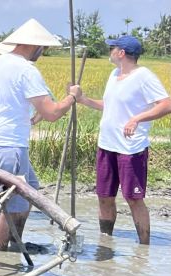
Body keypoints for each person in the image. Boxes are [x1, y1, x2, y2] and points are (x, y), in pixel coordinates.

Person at [0, 18, 76, 251]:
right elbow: (52, 112)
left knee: (30, 189)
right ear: (34, 46)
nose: (43, 52)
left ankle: (13, 242)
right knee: (14, 200)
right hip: (11, 146)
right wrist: (72, 97)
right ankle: (1, 249)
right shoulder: (27, 70)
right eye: (43, 48)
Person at [69, 36, 171, 244]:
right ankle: (105, 241)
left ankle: (144, 247)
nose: (110, 51)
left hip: (130, 148)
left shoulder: (144, 76)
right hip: (107, 145)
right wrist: (82, 99)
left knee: (133, 198)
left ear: (121, 53)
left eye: (112, 48)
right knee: (104, 196)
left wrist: (137, 118)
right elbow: (109, 105)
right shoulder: (114, 74)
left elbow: (166, 104)